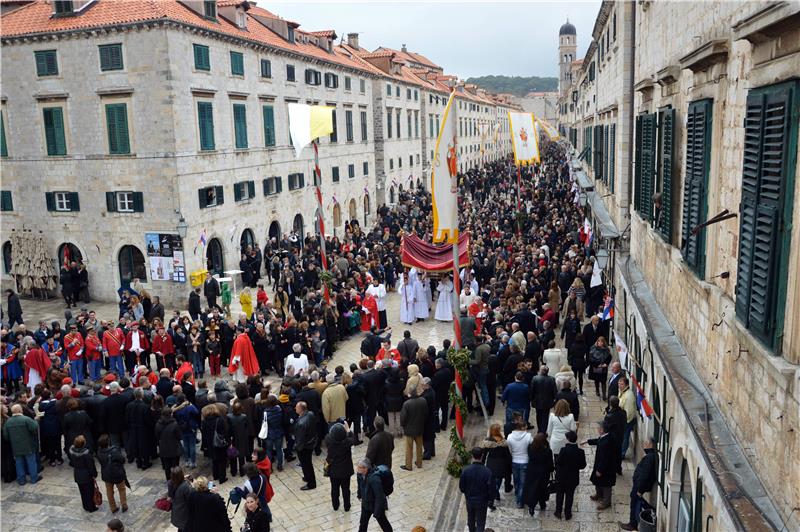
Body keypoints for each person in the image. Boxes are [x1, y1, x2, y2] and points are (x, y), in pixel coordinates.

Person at [620, 437, 658, 531]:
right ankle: (633, 523)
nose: (643, 445)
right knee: (636, 503)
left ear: (650, 445)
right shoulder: (650, 456)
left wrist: (640, 490)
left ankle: (633, 524)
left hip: (639, 487)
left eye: (645, 443)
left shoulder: (649, 457)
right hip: (638, 485)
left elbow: (645, 475)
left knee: (635, 504)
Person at [2, 404, 40, 485]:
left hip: (16, 446)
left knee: (19, 463)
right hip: (28, 445)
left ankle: (21, 480)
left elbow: (6, 436)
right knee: (31, 462)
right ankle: (34, 478)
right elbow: (34, 427)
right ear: (20, 410)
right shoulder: (26, 419)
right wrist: (36, 420)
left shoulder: (8, 422)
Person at [460, 447, 494, 532]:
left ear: (472, 456)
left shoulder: (466, 470)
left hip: (470, 500)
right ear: (482, 456)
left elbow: (462, 487)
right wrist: (490, 499)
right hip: (482, 501)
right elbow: (491, 488)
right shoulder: (487, 472)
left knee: (471, 520)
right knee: (480, 522)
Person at [553, 430, 586, 520]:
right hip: (573, 478)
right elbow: (583, 465)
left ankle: (558, 512)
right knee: (570, 495)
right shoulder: (580, 452)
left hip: (562, 477)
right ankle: (568, 513)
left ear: (567, 439)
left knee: (560, 494)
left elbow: (558, 462)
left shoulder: (563, 450)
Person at [325, 421, 356, 511]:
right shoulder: (347, 443)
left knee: (334, 489)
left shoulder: (328, 441)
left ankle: (335, 505)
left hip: (333, 471)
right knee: (346, 489)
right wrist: (348, 430)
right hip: (345, 471)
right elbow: (354, 439)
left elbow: (328, 435)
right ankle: (347, 506)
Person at [588, 421, 618, 510]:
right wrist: (588, 441)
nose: (597, 429)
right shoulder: (605, 437)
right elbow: (598, 440)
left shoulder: (607, 443)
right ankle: (599, 494)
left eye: (598, 428)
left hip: (606, 468)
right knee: (598, 481)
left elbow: (605, 458)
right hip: (601, 465)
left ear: (602, 430)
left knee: (606, 485)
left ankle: (606, 502)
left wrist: (600, 469)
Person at [357, 458, 392, 532]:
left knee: (383, 523)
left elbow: (379, 496)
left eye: (359, 467)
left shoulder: (374, 479)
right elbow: (360, 486)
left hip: (376, 505)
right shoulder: (360, 474)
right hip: (366, 503)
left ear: (365, 468)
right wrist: (359, 495)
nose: (357, 469)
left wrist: (376, 511)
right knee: (363, 523)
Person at [480, 423, 511, 509]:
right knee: (497, 483)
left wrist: (482, 465)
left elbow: (484, 454)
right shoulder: (503, 442)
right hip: (501, 465)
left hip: (491, 464)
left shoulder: (488, 441)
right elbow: (508, 455)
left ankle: (495, 496)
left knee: (493, 483)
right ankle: (492, 499)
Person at [523, 432, 554, 515]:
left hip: (532, 472)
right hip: (543, 473)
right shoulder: (547, 451)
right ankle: (542, 504)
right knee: (542, 489)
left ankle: (531, 507)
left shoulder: (530, 448)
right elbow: (550, 464)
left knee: (532, 489)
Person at [97, 434, 128, 513]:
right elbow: (122, 460)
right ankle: (124, 505)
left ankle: (113, 507)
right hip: (117, 474)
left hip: (107, 475)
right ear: (108, 442)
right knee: (122, 489)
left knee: (109, 491)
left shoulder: (99, 452)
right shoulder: (114, 451)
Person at [506, 418, 532, 508]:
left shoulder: (509, 437)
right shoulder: (528, 436)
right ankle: (520, 501)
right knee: (523, 482)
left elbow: (509, 449)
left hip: (514, 460)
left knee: (516, 481)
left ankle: (518, 495)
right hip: (525, 460)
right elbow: (532, 447)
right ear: (522, 427)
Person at [69, 435, 99, 512]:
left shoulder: (72, 453)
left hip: (77, 474)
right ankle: (91, 507)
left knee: (82, 491)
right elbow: (91, 466)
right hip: (86, 476)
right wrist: (94, 474)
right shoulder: (87, 455)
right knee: (90, 491)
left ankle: (85, 505)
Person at [399, 389, 427, 471]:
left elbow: (403, 418)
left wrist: (403, 426)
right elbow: (426, 414)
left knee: (409, 448)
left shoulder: (406, 404)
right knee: (419, 447)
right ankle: (419, 463)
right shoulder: (423, 401)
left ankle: (408, 466)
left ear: (410, 394)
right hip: (419, 428)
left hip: (409, 430)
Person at [293, 401, 317, 490]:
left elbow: (300, 438)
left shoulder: (301, 423)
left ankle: (311, 483)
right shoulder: (310, 414)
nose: (295, 408)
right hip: (310, 443)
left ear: (301, 409)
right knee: (307, 464)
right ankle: (307, 477)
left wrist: (298, 448)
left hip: (304, 447)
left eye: (296, 407)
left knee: (306, 465)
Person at [155, 407, 183, 481]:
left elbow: (157, 436)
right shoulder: (175, 424)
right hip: (174, 448)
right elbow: (179, 436)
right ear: (170, 414)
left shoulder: (158, 424)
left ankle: (169, 481)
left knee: (167, 467)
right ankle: (176, 480)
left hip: (164, 449)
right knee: (175, 467)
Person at [529, 365, 557, 434]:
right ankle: (543, 430)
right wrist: (553, 399)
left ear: (541, 371)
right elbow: (554, 391)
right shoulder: (551, 379)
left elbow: (532, 390)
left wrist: (531, 399)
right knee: (545, 416)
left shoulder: (535, 378)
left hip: (537, 401)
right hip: (548, 401)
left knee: (538, 415)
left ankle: (540, 429)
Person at [169, 466, 193, 532]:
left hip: (177, 511)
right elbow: (191, 499)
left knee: (181, 528)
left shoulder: (170, 483)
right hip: (185, 514)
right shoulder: (185, 486)